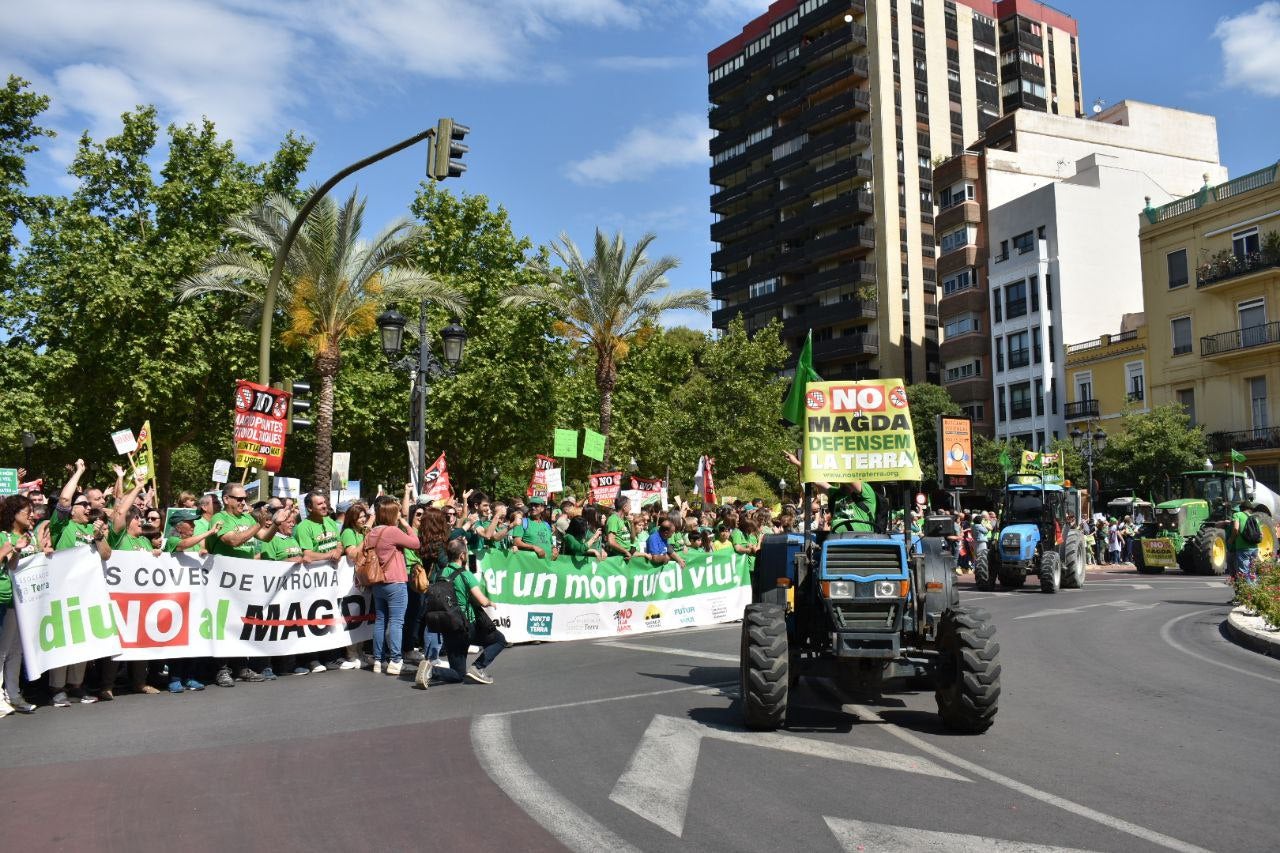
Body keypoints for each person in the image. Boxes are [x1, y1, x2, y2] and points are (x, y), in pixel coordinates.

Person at [1, 494, 46, 715]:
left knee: (17, 649)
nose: (31, 515)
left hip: (27, 602)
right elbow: (9, 567)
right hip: (7, 598)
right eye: (27, 511)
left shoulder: (31, 537)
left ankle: (13, 693)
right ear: (14, 513)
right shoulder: (3, 536)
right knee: (3, 649)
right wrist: (12, 549)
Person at [438, 538, 504, 685]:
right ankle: (477, 667)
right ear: (462, 555)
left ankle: (430, 671)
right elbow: (482, 601)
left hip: (448, 626)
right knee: (499, 640)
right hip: (466, 626)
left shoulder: (441, 573)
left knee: (458, 674)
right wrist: (490, 602)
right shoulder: (465, 575)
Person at [366, 500, 421, 676]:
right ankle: (396, 661)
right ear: (391, 514)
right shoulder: (392, 531)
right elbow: (415, 543)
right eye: (397, 512)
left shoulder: (372, 532)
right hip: (395, 581)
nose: (399, 515)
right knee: (397, 622)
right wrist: (407, 525)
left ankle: (378, 660)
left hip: (378, 582)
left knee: (380, 621)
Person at [783, 450, 876, 533]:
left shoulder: (866, 492)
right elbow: (816, 479)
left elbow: (849, 478)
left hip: (861, 539)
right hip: (836, 541)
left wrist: (834, 463)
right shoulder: (835, 493)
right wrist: (796, 462)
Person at [1227, 500, 1259, 586]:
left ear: (1241, 508)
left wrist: (1231, 539)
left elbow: (1235, 529)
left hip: (1242, 548)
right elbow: (1261, 534)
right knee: (1252, 572)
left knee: (1243, 572)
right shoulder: (1255, 518)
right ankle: (1254, 590)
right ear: (1250, 509)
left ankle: (1246, 592)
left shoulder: (1237, 515)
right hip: (1254, 548)